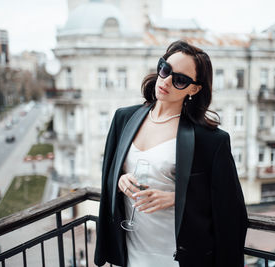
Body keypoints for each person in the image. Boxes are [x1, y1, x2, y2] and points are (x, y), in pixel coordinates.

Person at [95, 40, 248, 267]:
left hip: (178, 256)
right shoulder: (123, 119)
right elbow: (108, 176)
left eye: (179, 80)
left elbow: (231, 209)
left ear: (194, 89)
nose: (165, 81)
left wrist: (176, 199)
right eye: (165, 69)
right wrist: (120, 180)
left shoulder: (211, 140)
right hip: (130, 251)